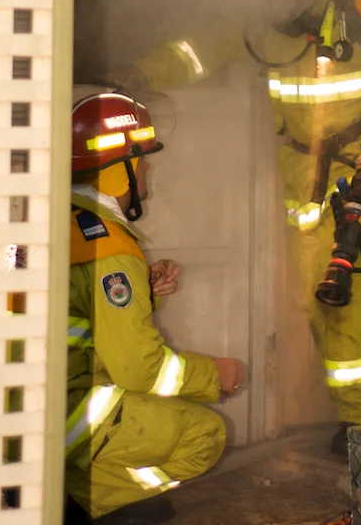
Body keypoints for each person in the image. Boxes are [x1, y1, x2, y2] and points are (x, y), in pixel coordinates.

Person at [109, 0, 361, 455]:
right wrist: (140, 74)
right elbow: (201, 49)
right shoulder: (266, 23)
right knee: (321, 298)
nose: (275, 6)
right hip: (307, 181)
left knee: (343, 291)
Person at [66, 91, 244, 523]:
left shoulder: (61, 220)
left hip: (6, 404)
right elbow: (139, 369)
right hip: (57, 413)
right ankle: (89, 503)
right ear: (120, 170)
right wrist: (214, 375)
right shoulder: (108, 247)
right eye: (142, 159)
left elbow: (80, 311)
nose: (147, 168)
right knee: (206, 435)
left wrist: (142, 288)